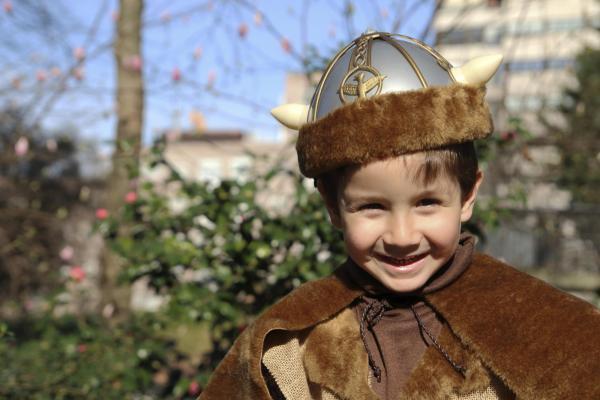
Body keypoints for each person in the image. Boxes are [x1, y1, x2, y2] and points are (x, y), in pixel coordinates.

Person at [199, 32, 600, 400]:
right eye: (372, 207)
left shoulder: (551, 330)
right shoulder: (285, 342)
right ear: (332, 207)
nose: (402, 235)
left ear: (467, 195)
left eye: (427, 203)